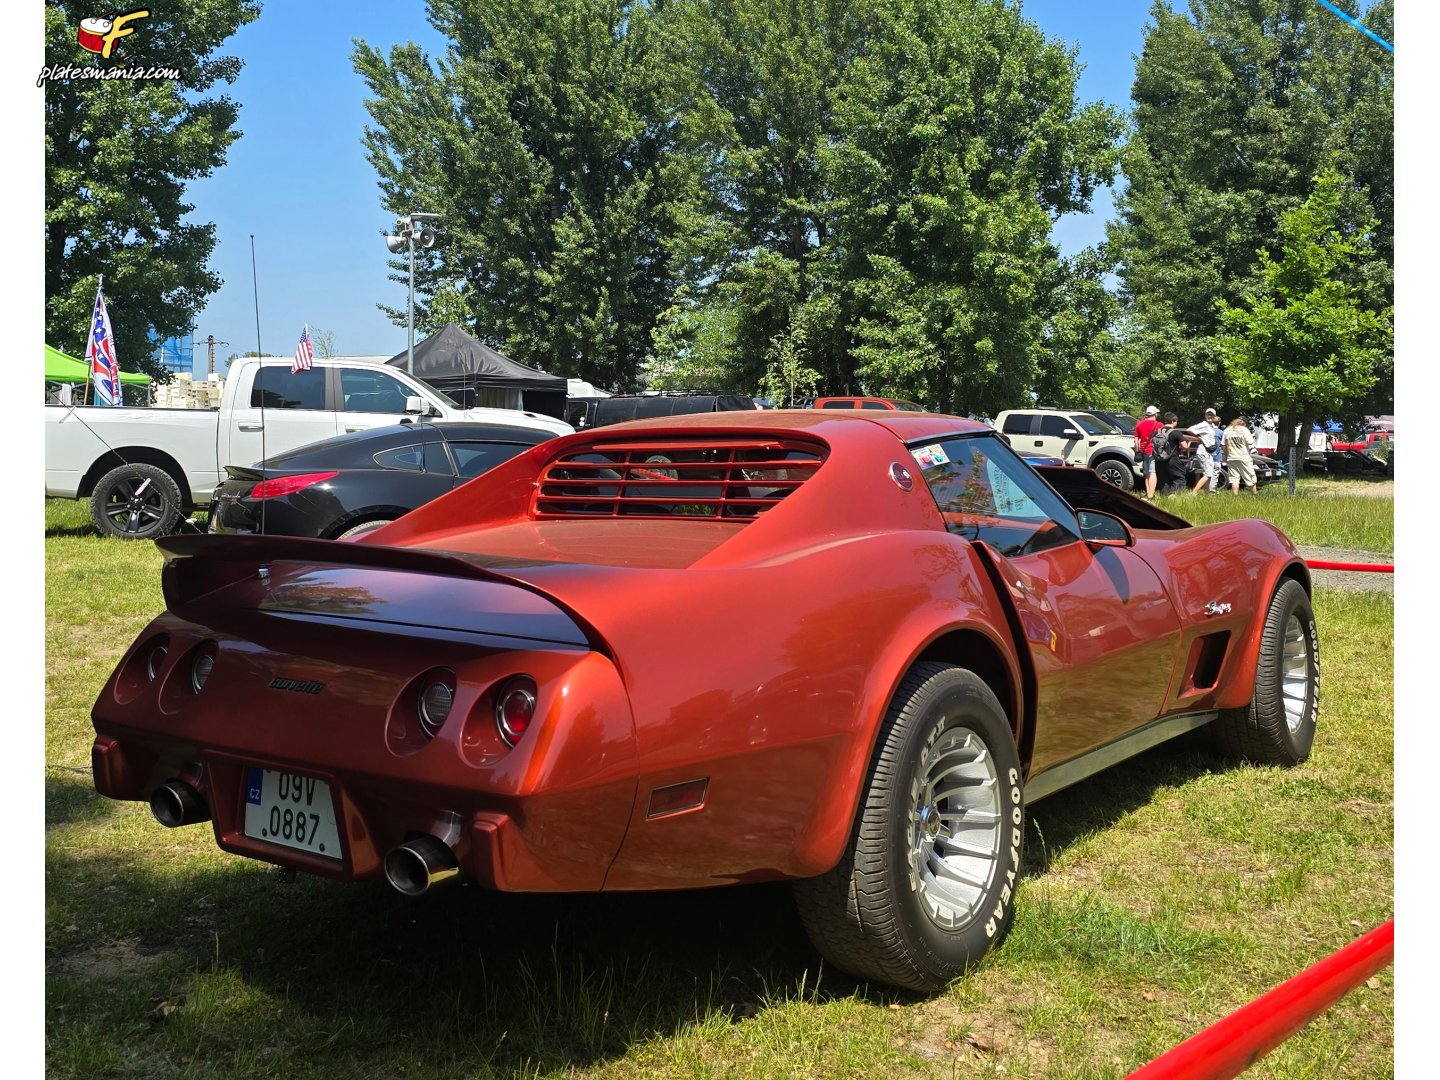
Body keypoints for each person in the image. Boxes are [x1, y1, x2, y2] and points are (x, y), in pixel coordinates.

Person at [1157, 412, 1194, 494]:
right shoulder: (1176, 432)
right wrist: (1181, 450)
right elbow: (1185, 446)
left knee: (1163, 480)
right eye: (1176, 421)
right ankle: (1174, 495)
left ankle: (1164, 496)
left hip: (1159, 459)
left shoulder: (1157, 432)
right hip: (1172, 459)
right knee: (1179, 478)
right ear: (1173, 421)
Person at [1187, 409, 1222, 493]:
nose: (1209, 416)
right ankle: (1194, 492)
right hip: (1204, 451)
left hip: (1209, 452)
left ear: (1214, 416)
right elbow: (1189, 429)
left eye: (1211, 415)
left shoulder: (1211, 426)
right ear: (1205, 415)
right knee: (1208, 474)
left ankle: (1207, 493)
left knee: (1207, 473)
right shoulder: (1204, 424)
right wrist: (1199, 438)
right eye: (1208, 414)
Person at [1134, 405, 1164, 500]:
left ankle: (1148, 493)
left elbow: (1136, 440)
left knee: (1146, 474)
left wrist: (1137, 451)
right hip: (1154, 451)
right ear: (1155, 414)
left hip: (1143, 451)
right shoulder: (1159, 425)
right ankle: (1151, 496)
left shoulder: (1139, 424)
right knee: (1153, 473)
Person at [1222, 416, 1258, 493]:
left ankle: (1235, 496)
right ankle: (1255, 495)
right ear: (1244, 424)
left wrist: (1226, 456)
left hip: (1231, 458)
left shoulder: (1227, 430)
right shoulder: (1244, 430)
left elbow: (1223, 445)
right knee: (1250, 478)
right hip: (1244, 457)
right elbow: (1250, 442)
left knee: (1234, 479)